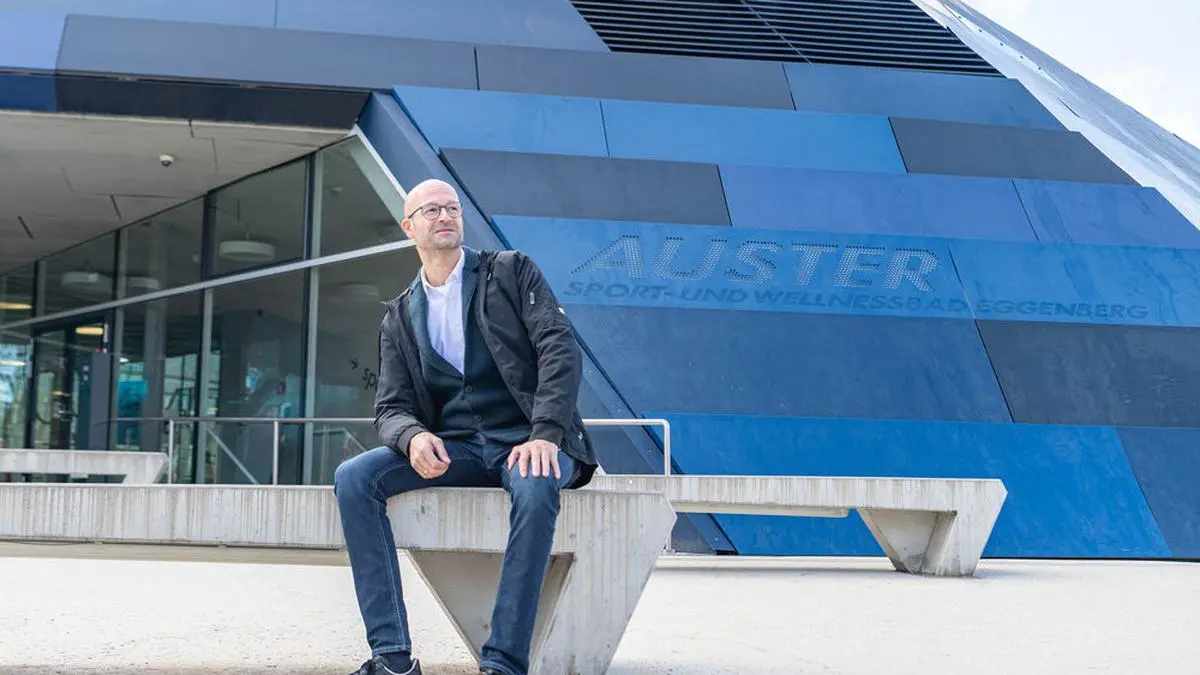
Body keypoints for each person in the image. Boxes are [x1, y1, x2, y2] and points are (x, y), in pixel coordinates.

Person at [334, 178, 598, 675]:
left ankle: (502, 663)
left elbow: (559, 349)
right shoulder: (399, 315)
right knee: (354, 478)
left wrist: (545, 433)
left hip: (530, 442)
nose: (445, 216)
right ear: (408, 227)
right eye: (431, 210)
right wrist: (412, 437)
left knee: (537, 486)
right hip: (460, 448)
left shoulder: (511, 272)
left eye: (451, 207)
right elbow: (390, 407)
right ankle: (391, 658)